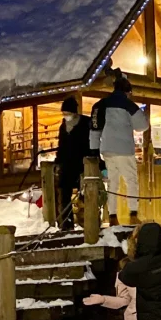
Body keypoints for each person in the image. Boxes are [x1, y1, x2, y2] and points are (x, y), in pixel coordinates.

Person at [90, 73, 148, 226]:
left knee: (113, 182)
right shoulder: (129, 105)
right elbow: (143, 125)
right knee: (131, 181)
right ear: (128, 91)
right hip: (124, 149)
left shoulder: (100, 104)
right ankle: (133, 214)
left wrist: (94, 151)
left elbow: (94, 131)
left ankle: (113, 216)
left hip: (107, 149)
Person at [54, 96, 90, 231]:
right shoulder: (63, 126)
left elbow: (90, 143)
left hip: (82, 164)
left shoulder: (85, 123)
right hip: (67, 165)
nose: (66, 116)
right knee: (64, 195)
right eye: (64, 113)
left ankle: (87, 222)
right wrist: (58, 161)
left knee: (85, 195)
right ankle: (67, 225)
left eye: (67, 113)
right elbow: (61, 146)